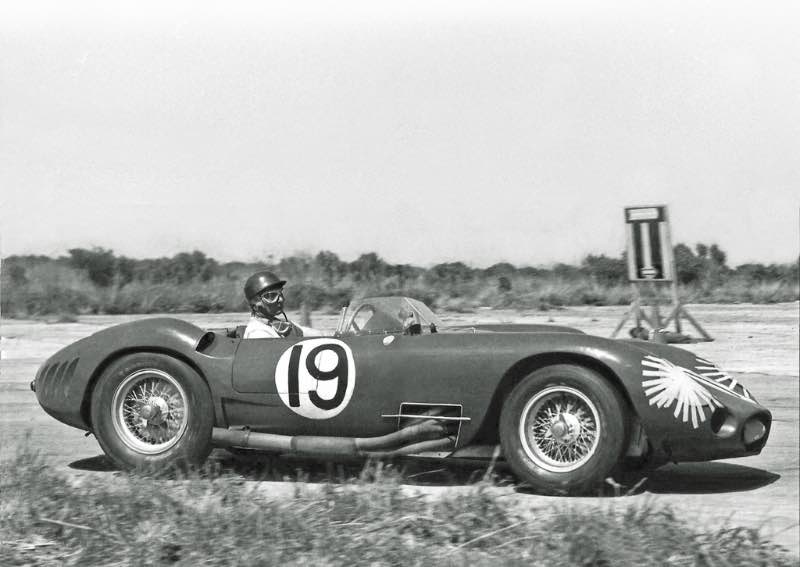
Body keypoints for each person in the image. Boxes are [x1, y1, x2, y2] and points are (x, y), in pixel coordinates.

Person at [242, 271, 322, 338]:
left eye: (280, 294)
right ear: (256, 303)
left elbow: (312, 334)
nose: (281, 299)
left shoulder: (283, 324)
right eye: (271, 296)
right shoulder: (257, 332)